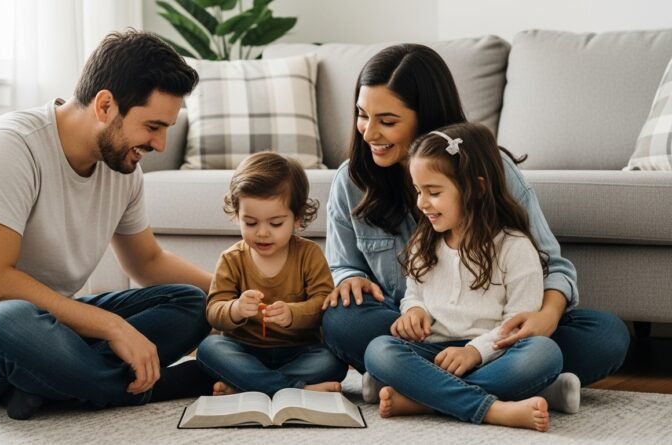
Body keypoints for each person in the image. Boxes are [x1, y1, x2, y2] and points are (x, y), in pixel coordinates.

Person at [0, 29, 216, 420]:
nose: (162, 144)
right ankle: (156, 386)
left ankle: (53, 384)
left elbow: (147, 262)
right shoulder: (10, 147)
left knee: (194, 302)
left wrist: (237, 292)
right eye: (153, 127)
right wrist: (112, 327)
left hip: (49, 324)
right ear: (104, 105)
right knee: (13, 321)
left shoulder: (122, 168)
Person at [321, 43, 629, 413]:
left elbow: (553, 266)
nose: (369, 133)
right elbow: (344, 265)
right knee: (342, 321)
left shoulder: (489, 168)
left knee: (605, 336)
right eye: (361, 115)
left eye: (387, 121)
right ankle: (512, 391)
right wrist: (349, 277)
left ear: (426, 117)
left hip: (503, 336)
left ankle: (421, 394)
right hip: (421, 334)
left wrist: (545, 319)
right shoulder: (351, 180)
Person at [364, 123, 561, 431]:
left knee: (543, 354)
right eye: (418, 191)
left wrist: (474, 352)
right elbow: (414, 293)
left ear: (477, 188)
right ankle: (493, 408)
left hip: (493, 353)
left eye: (434, 192)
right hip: (434, 350)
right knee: (379, 350)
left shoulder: (514, 248)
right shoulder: (424, 242)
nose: (421, 203)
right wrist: (414, 310)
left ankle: (423, 399)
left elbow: (516, 326)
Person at [197, 152, 348, 396]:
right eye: (251, 223)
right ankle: (294, 389)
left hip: (299, 351)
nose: (263, 233)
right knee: (209, 348)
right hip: (245, 350)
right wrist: (235, 309)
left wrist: (292, 314)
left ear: (297, 218)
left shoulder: (309, 255)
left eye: (276, 223)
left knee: (333, 360)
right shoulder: (232, 259)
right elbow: (214, 311)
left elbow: (323, 305)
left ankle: (247, 384)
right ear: (237, 215)